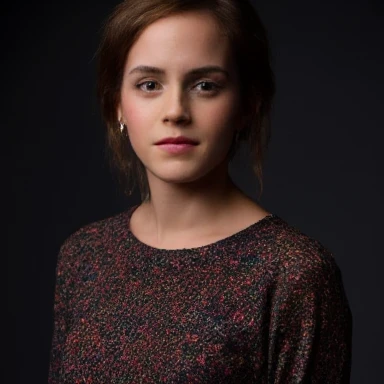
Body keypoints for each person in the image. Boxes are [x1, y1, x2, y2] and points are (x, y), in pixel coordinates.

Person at [48, 0, 352, 382]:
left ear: (247, 104)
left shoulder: (294, 274)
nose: (175, 110)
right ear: (117, 105)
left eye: (205, 85)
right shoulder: (83, 256)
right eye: (149, 85)